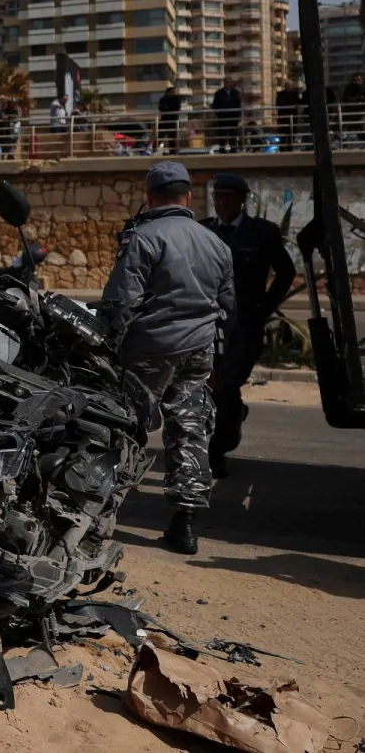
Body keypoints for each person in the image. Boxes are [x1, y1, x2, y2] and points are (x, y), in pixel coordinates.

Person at [102, 161, 235, 556]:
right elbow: (229, 305)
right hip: (199, 349)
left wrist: (105, 342)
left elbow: (120, 301)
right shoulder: (217, 243)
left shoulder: (143, 237)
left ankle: (101, 515)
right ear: (189, 196)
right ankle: (186, 525)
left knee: (123, 426)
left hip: (149, 350)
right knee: (190, 429)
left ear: (149, 197)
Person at [201, 173, 296, 478]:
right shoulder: (202, 231)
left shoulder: (262, 233)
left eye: (228, 196)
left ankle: (218, 448)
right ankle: (224, 429)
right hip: (207, 323)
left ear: (242, 200)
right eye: (217, 195)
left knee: (226, 387)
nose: (221, 201)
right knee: (208, 386)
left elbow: (286, 272)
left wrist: (264, 307)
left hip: (244, 326)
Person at [210, 77, 243, 153]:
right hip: (223, 118)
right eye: (226, 82)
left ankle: (233, 148)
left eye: (229, 82)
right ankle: (222, 149)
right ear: (224, 83)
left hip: (233, 118)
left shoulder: (236, 92)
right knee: (222, 134)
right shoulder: (219, 93)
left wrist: (238, 115)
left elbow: (239, 104)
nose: (228, 84)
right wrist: (218, 114)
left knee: (233, 134)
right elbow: (215, 105)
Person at [276, 79, 302, 152]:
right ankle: (282, 150)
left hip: (293, 118)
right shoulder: (280, 94)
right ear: (285, 86)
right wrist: (291, 106)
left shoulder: (295, 94)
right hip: (283, 118)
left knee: (292, 135)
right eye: (287, 85)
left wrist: (295, 106)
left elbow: (298, 104)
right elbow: (279, 105)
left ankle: (290, 149)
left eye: (290, 85)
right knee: (283, 136)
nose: (289, 87)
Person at [157, 86, 182, 154]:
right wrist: (169, 109)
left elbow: (177, 108)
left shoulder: (177, 98)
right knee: (160, 136)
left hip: (173, 120)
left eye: (175, 92)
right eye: (173, 92)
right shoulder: (163, 99)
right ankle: (155, 150)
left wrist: (168, 108)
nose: (174, 93)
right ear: (168, 92)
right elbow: (161, 108)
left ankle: (172, 151)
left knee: (172, 137)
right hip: (165, 120)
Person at [343, 72, 365, 145]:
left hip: (361, 114)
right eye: (355, 80)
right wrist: (359, 98)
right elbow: (346, 99)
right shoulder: (348, 89)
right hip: (350, 115)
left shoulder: (363, 88)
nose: (357, 82)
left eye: (359, 80)